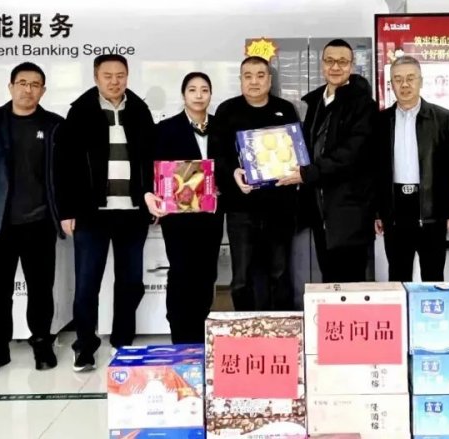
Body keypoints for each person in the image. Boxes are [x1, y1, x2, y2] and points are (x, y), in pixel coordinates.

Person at [54, 54, 155, 372]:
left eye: (120, 75)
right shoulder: (80, 112)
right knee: (87, 284)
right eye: (108, 75)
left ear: (128, 76)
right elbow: (64, 166)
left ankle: (122, 340)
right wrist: (67, 210)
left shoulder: (140, 111)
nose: (115, 81)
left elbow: (152, 161)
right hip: (91, 214)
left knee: (131, 282)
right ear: (96, 77)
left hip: (133, 212)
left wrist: (153, 201)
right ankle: (85, 346)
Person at [0, 62, 64, 378]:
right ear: (10, 87)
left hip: (40, 223)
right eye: (22, 83)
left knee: (41, 290)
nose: (28, 89)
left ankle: (41, 343)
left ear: (43, 91)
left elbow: (62, 176)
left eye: (35, 84)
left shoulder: (54, 125)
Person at [278, 39, 377, 283]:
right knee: (329, 279)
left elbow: (351, 153)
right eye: (330, 61)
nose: (335, 67)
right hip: (319, 207)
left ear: (351, 65)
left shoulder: (364, 105)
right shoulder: (315, 103)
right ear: (322, 64)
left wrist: (308, 173)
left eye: (342, 62)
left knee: (350, 282)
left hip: (350, 210)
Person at [212, 56, 301, 311]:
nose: (254, 81)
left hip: (279, 207)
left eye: (260, 75)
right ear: (240, 80)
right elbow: (217, 155)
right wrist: (233, 173)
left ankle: (281, 328)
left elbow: (297, 152)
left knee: (280, 273)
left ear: (269, 80)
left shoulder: (285, 109)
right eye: (248, 76)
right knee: (242, 277)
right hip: (241, 209)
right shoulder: (227, 110)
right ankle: (247, 327)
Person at [144, 72, 224, 344]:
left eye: (204, 90)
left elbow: (228, 164)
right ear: (183, 95)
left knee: (207, 274)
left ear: (210, 94)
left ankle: (200, 333)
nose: (199, 95)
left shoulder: (222, 127)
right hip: (178, 217)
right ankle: (180, 336)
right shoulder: (166, 129)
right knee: (181, 272)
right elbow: (155, 169)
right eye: (192, 90)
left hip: (211, 215)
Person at [374, 56, 449, 282]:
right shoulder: (380, 121)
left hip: (431, 206)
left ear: (421, 81)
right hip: (395, 209)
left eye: (410, 78)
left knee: (433, 276)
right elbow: (375, 171)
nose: (404, 84)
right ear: (391, 84)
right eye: (398, 79)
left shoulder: (441, 118)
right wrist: (377, 212)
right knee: (398, 276)